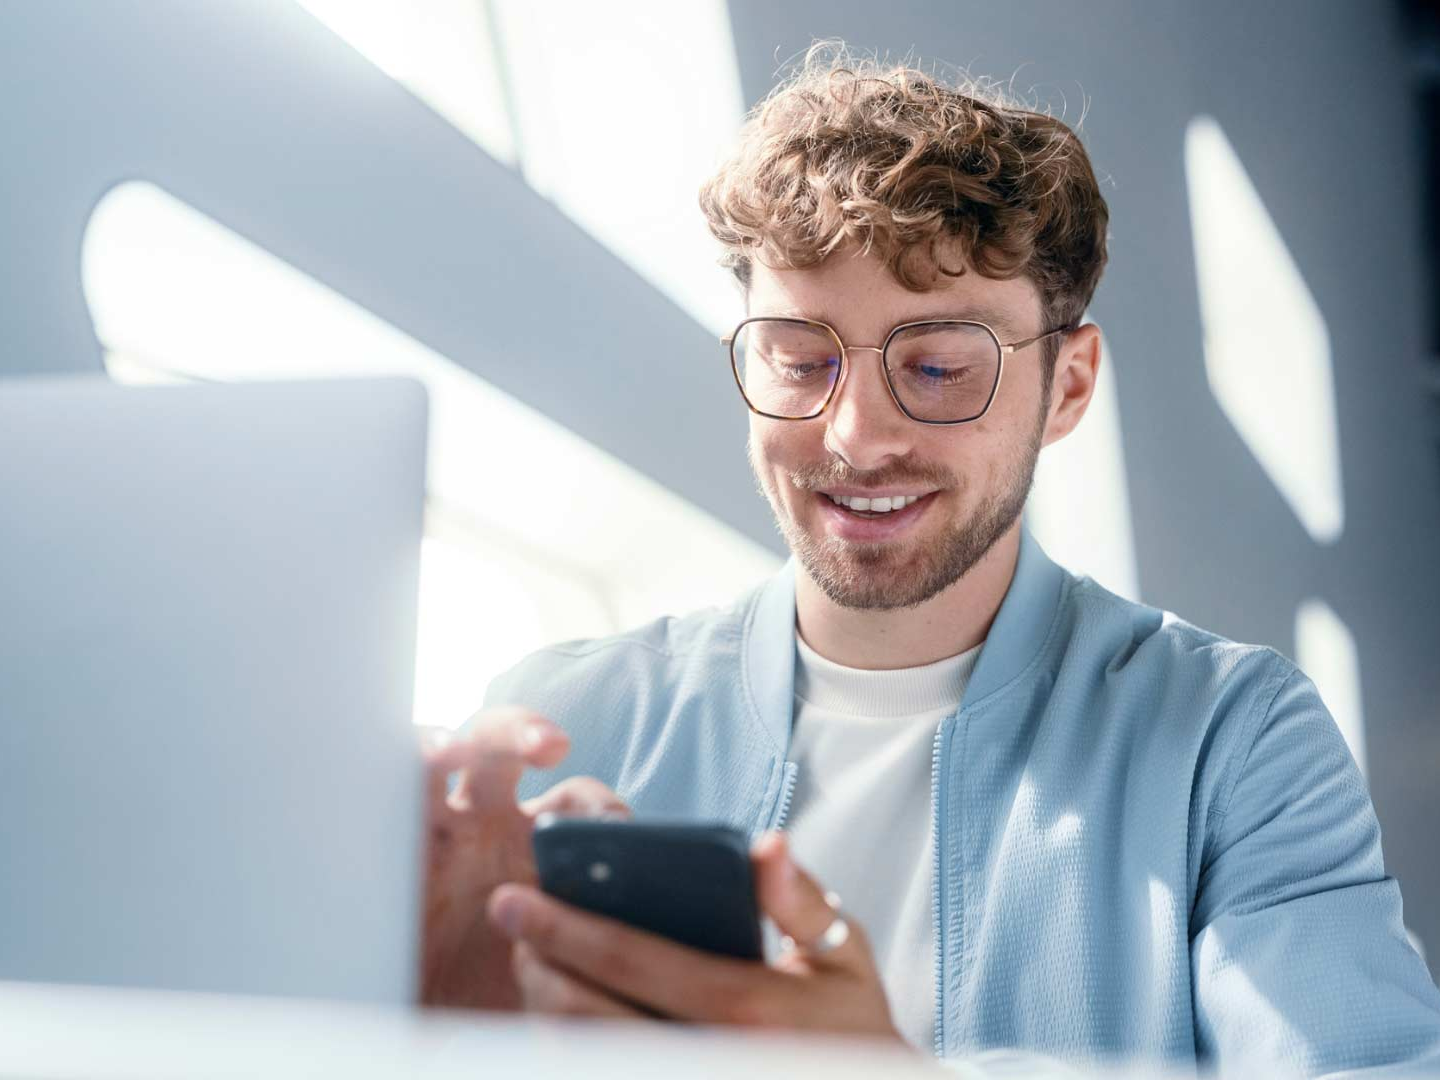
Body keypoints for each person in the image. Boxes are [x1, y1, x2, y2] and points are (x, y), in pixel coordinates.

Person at [418, 45, 1440, 1075]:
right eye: (800, 359)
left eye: (941, 365)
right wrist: (416, 1028)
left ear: (1070, 388)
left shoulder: (1236, 746)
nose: (855, 437)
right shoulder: (561, 725)